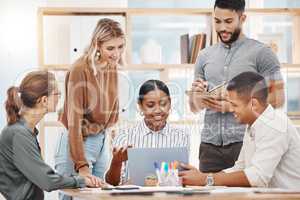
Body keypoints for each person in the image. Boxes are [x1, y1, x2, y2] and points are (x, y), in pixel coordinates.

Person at [188, 0, 285, 173]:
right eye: (217, 21)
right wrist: (198, 98)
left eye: (229, 21)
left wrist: (234, 105)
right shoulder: (204, 56)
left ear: (242, 18)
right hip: (209, 148)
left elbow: (278, 99)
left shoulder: (263, 53)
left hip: (246, 142)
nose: (222, 28)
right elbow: (193, 107)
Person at [179, 72, 300, 189]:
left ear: (254, 104)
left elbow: (258, 177)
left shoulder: (275, 124)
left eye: (235, 105)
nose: (231, 109)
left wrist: (206, 179)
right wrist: (202, 177)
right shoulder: (254, 124)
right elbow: (240, 168)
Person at [0, 71, 102, 200]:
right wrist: (81, 181)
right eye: (57, 94)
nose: (60, 98)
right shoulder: (18, 134)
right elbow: (46, 180)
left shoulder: (23, 131)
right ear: (44, 100)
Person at [54, 18, 125, 199]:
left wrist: (111, 139)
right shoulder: (80, 69)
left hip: (100, 142)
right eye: (110, 48)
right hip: (76, 142)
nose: (116, 54)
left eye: (120, 47)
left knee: (98, 197)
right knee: (69, 197)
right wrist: (82, 166)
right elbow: (74, 123)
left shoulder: (112, 67)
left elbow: (112, 111)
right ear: (97, 45)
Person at [105, 80, 190, 185]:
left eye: (163, 104)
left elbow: (183, 179)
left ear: (170, 103)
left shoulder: (181, 136)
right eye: (150, 105)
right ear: (140, 106)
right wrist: (116, 162)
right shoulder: (125, 135)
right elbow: (111, 182)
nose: (158, 110)